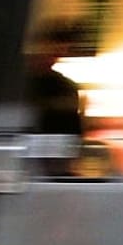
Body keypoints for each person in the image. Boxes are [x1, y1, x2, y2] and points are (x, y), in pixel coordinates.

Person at [24, 18, 86, 176]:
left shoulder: (66, 87)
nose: (53, 55)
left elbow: (72, 134)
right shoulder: (14, 83)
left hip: (50, 168)